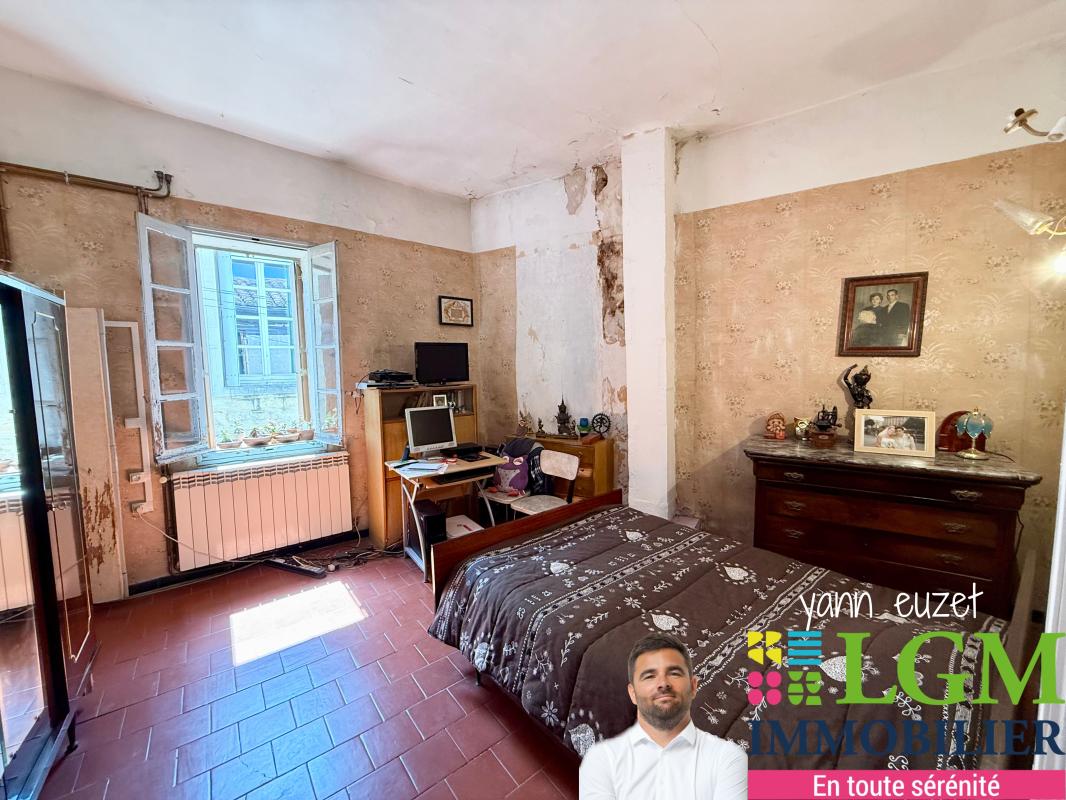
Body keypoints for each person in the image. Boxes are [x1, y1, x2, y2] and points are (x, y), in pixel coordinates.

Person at [579, 633, 747, 800]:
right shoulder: (600, 759)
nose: (663, 684)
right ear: (633, 693)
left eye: (674, 673)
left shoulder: (729, 757)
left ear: (693, 686)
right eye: (649, 676)